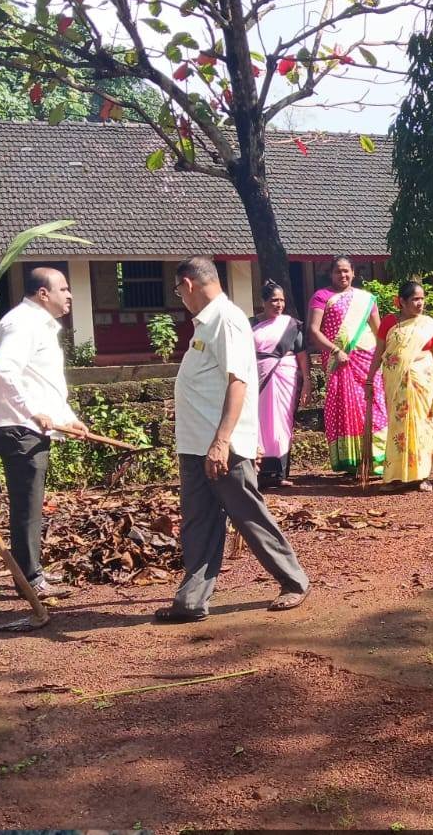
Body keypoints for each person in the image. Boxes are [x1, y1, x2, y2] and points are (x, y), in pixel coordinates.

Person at [156, 258, 309, 623]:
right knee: (198, 522)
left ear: (188, 284)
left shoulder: (226, 319)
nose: (181, 298)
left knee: (248, 514)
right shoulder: (206, 323)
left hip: (220, 445)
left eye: (179, 291)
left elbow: (238, 381)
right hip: (195, 443)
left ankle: (294, 579)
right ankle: (192, 600)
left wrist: (222, 440)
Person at [0, 266, 86, 600]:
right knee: (27, 504)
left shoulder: (39, 324)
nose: (69, 295)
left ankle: (31, 571)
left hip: (28, 424)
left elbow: (43, 382)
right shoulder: (22, 323)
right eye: (63, 289)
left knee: (31, 502)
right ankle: (29, 578)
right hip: (18, 426)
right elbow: (3, 370)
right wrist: (31, 411)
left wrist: (68, 418)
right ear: (43, 294)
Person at [369, 280, 433, 491]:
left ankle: (421, 476)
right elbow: (379, 351)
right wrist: (370, 378)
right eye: (415, 299)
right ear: (402, 302)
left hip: (422, 380)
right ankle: (395, 477)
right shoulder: (389, 323)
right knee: (398, 427)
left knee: (422, 425)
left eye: (422, 299)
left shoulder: (430, 326)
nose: (420, 303)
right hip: (395, 382)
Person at [307, 257, 386, 477]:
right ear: (330, 274)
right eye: (338, 271)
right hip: (339, 361)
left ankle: (378, 460)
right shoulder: (322, 296)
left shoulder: (366, 299)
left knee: (374, 404)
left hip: (367, 360)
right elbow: (313, 330)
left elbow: (379, 332)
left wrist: (385, 357)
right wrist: (335, 351)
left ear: (353, 273)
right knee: (346, 407)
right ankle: (354, 461)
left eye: (346, 271)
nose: (343, 275)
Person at [251, 280, 308, 490]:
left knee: (282, 423)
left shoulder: (291, 325)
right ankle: (258, 472)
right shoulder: (250, 324)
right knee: (259, 423)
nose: (279, 304)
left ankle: (280, 473)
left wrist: (307, 381)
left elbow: (302, 354)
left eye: (282, 300)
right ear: (263, 302)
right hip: (258, 378)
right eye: (274, 300)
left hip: (286, 377)